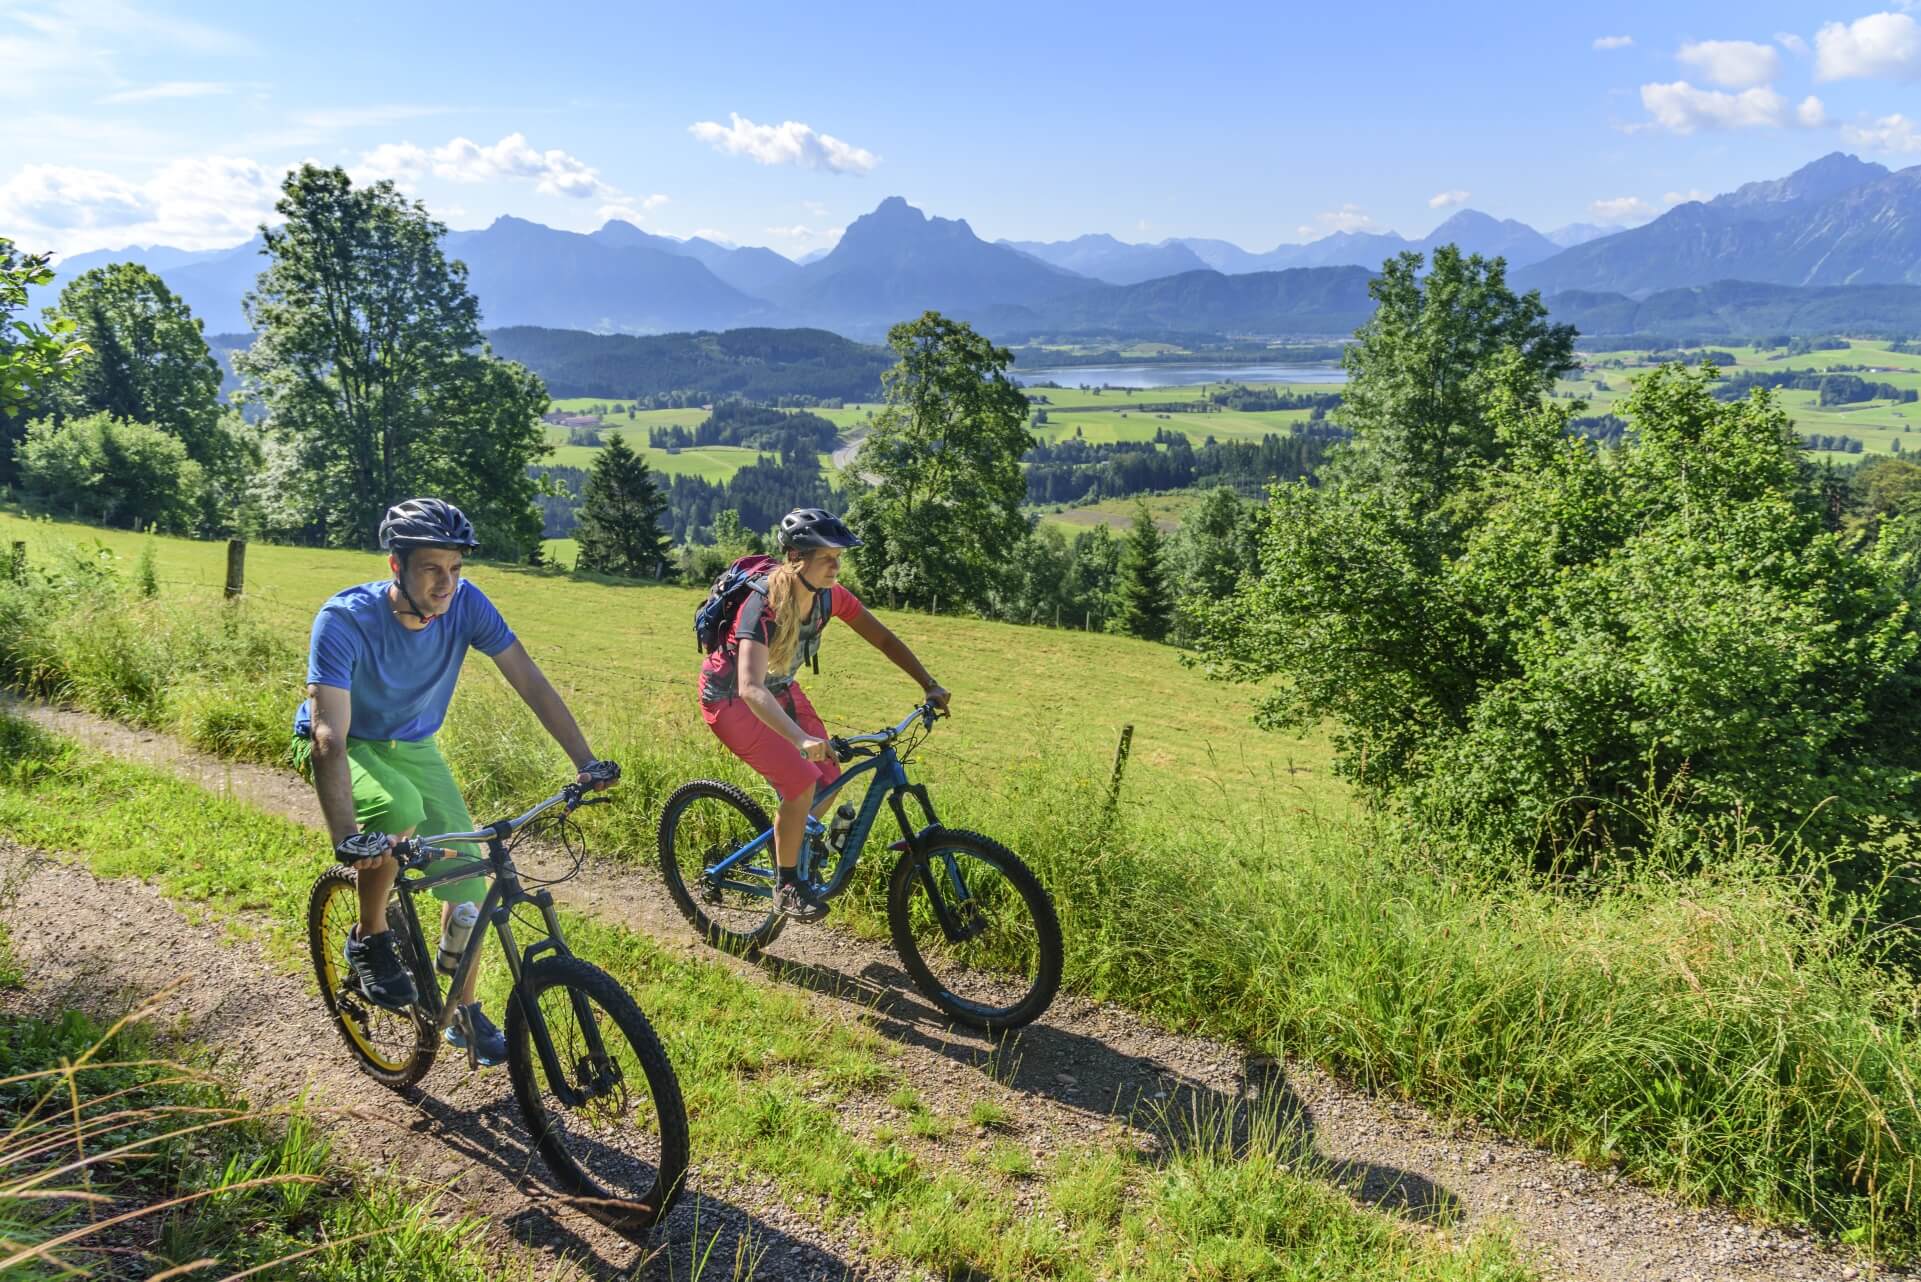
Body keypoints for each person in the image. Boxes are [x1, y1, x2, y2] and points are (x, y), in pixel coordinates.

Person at [293, 497, 616, 1066]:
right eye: (431, 569)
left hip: (414, 746)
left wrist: (585, 760)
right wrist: (347, 834)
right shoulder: (343, 619)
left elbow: (529, 680)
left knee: (470, 880)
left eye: (456, 569)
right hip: (350, 746)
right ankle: (369, 937)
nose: (446, 584)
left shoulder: (467, 605)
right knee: (397, 809)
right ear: (397, 567)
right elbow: (329, 738)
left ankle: (463, 1011)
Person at [698, 507, 950, 921]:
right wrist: (800, 739)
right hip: (730, 701)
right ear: (796, 558)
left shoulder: (831, 597)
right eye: (827, 557)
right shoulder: (761, 606)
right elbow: (749, 687)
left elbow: (884, 638)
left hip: (779, 690)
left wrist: (928, 682)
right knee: (800, 785)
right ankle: (786, 886)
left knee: (828, 777)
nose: (836, 565)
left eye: (838, 556)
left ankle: (793, 839)